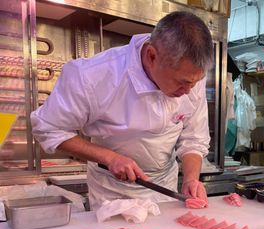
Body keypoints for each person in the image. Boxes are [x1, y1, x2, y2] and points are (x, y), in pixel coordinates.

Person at [31, 11, 213, 210]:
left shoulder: (190, 76)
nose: (188, 91)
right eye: (181, 82)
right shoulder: (92, 75)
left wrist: (190, 180)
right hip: (111, 191)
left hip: (165, 187)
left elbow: (195, 138)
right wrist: (110, 158)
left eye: (194, 83)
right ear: (152, 56)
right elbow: (49, 129)